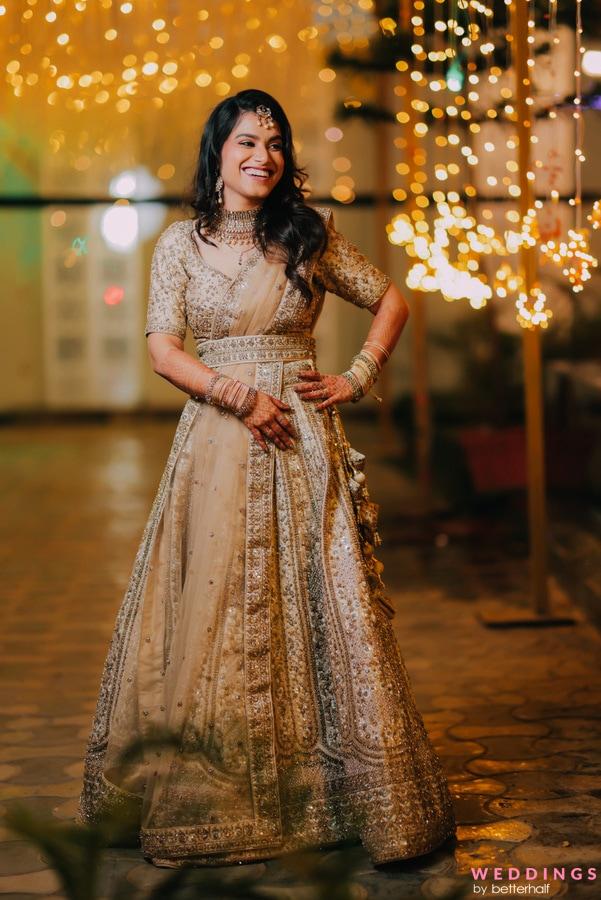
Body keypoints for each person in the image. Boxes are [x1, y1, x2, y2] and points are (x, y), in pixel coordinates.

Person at [76, 88, 456, 868]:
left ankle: (338, 795)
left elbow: (391, 301)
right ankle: (220, 795)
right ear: (218, 154)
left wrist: (355, 374)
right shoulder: (181, 244)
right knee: (213, 605)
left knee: (323, 603)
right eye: (247, 141)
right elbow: (163, 349)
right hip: (217, 440)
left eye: (275, 143)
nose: (263, 156)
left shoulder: (306, 236)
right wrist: (238, 394)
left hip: (302, 443)